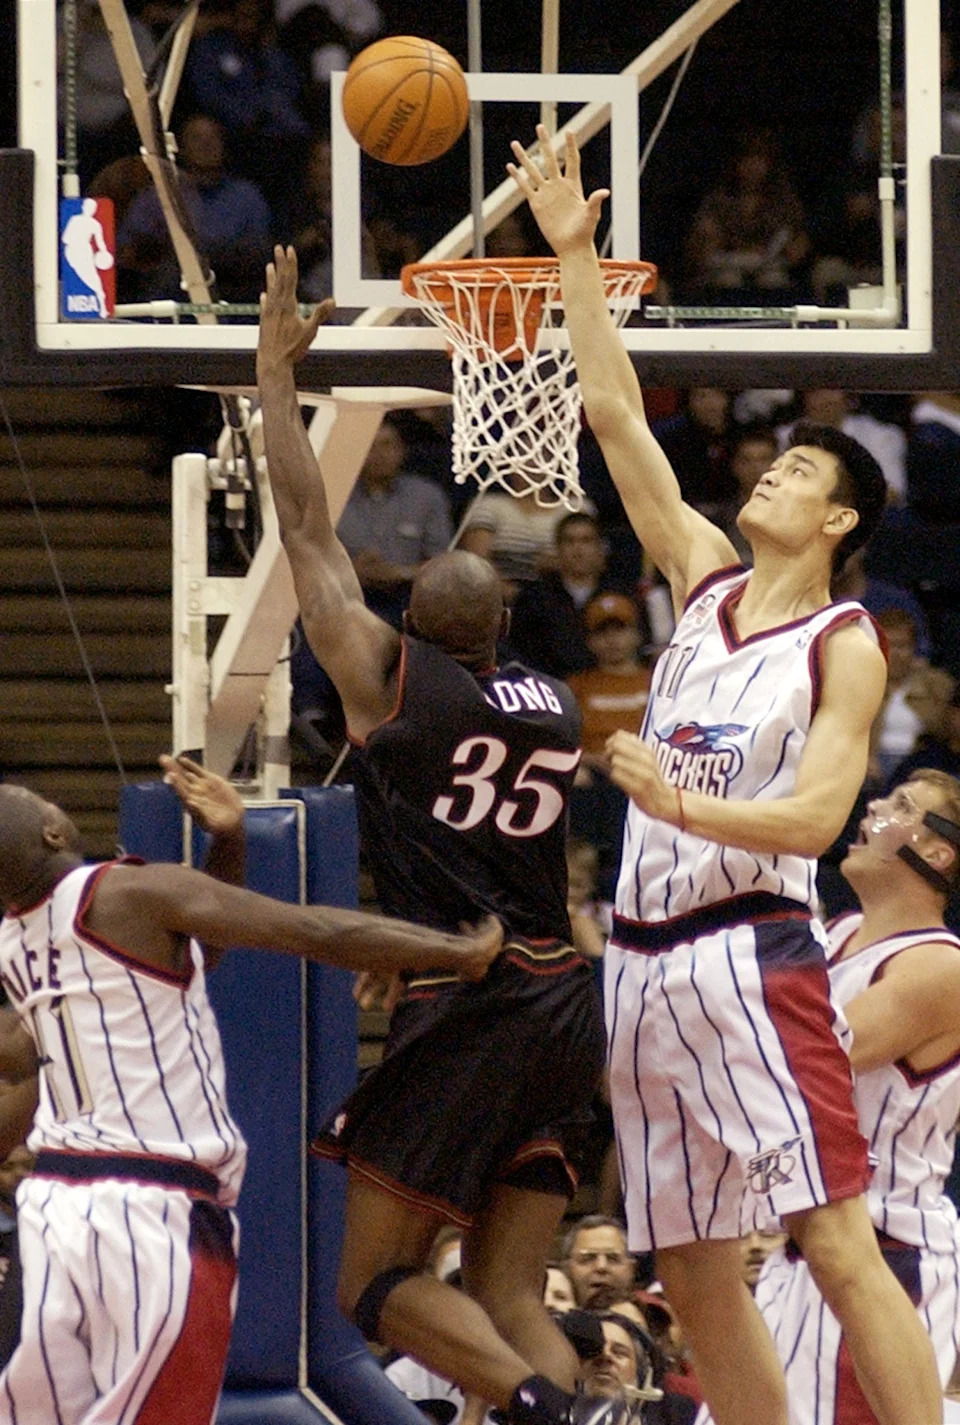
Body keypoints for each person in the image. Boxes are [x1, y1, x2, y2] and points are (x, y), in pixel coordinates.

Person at [508, 126, 942, 1425]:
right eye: (777, 460)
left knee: (834, 1237)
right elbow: (611, 411)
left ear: (843, 520)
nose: (776, 471)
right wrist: (575, 257)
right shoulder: (700, 578)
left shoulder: (843, 640)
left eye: (803, 470)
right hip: (639, 966)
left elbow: (815, 817)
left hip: (748, 949)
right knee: (694, 1277)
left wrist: (675, 800)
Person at [257, 247, 610, 1425]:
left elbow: (307, 529)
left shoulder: (392, 688)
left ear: (407, 620)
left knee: (370, 1287)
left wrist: (274, 378)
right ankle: (574, 1411)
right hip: (567, 998)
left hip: (473, 995)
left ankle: (548, 1413)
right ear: (504, 625)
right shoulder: (550, 701)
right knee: (512, 1291)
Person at [0, 765, 501, 1425]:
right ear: (54, 827)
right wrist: (455, 951)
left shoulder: (14, 945)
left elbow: (199, 954)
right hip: (152, 1211)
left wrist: (230, 839)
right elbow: (311, 929)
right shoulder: (134, 893)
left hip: (56, 1208)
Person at [722, 770, 960, 1423]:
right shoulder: (839, 932)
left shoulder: (940, 965)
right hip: (802, 1245)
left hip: (886, 1252)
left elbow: (810, 1059)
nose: (875, 808)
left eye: (902, 807)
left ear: (938, 852)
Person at [562, 1217, 635, 1311]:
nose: (601, 1266)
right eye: (588, 1258)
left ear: (631, 1269)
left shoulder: (653, 1316)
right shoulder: (546, 1318)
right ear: (566, 1269)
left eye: (613, 1259)